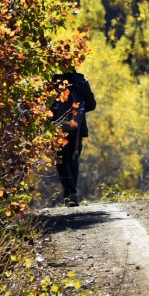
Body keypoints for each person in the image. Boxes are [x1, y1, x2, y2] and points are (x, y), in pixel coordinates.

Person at [49, 67, 97, 206]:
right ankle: (72, 193)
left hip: (57, 127)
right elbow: (92, 105)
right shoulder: (81, 81)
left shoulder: (52, 82)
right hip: (77, 127)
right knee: (73, 159)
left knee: (61, 159)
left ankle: (69, 192)